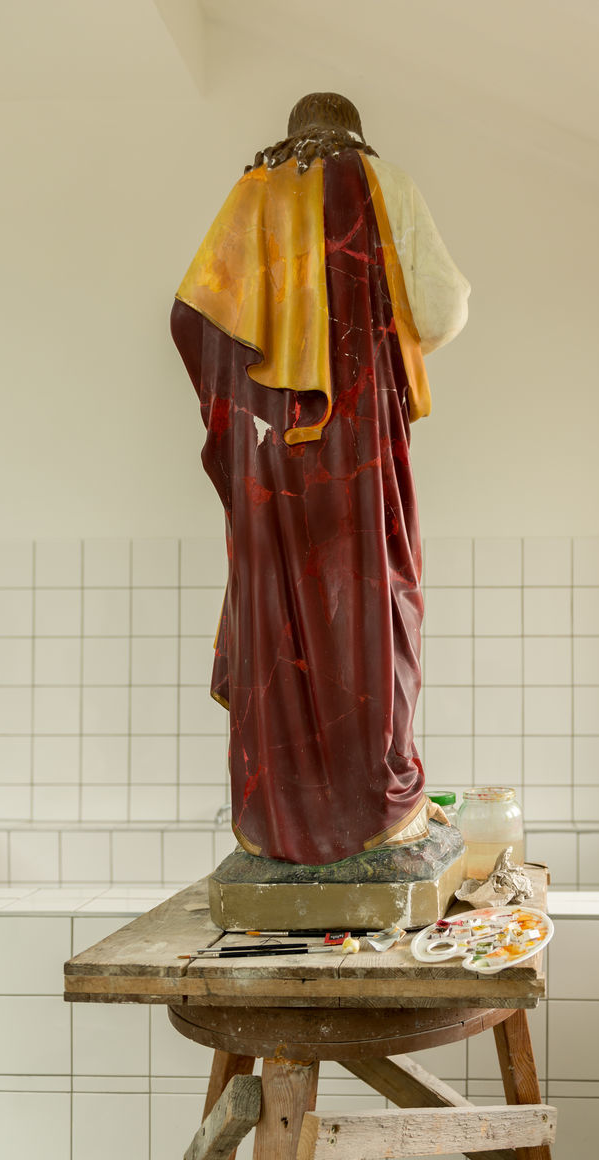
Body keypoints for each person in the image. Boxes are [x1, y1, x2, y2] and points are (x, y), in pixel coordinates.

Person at [171, 93, 469, 866]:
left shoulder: (251, 195)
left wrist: (251, 403)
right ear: (356, 132)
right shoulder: (383, 183)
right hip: (358, 441)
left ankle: (276, 814)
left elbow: (191, 316)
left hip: (268, 452)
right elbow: (439, 309)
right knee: (373, 602)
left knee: (275, 605)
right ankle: (376, 804)